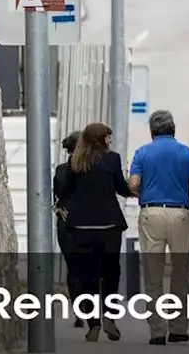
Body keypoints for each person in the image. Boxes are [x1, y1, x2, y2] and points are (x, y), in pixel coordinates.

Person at [128, 110, 189, 346]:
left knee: (153, 275)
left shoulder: (142, 153)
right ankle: (179, 328)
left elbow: (133, 184)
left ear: (152, 131)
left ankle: (157, 331)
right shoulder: (187, 153)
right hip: (180, 214)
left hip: (151, 214)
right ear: (174, 129)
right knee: (180, 272)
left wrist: (144, 194)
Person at [59, 122, 133, 342]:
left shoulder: (76, 161)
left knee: (87, 276)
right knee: (111, 272)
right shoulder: (112, 159)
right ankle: (109, 315)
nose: (111, 141)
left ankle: (93, 324)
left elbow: (66, 191)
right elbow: (121, 187)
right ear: (101, 139)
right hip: (109, 225)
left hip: (81, 227)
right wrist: (135, 190)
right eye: (108, 137)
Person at [52, 131, 83, 328]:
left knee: (73, 268)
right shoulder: (89, 170)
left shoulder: (61, 170)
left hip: (65, 221)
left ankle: (79, 312)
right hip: (86, 223)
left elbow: (57, 195)